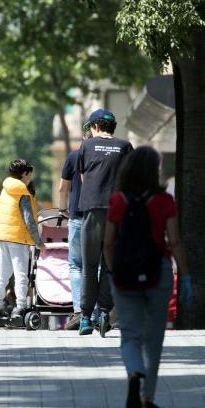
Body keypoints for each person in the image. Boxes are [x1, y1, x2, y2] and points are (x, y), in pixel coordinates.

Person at [103, 146, 190, 408]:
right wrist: (184, 276)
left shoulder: (118, 201)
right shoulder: (164, 201)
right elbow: (174, 241)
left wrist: (113, 271)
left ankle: (133, 373)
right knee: (154, 338)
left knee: (129, 334)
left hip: (124, 274)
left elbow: (107, 243)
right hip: (158, 272)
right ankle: (147, 397)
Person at [77, 109, 132, 336]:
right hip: (118, 213)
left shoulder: (86, 146)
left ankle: (85, 318)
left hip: (92, 211)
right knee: (110, 266)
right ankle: (104, 313)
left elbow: (82, 177)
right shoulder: (125, 146)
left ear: (95, 127)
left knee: (89, 266)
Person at [0, 159, 45, 319]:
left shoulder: (5, 189)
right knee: (21, 275)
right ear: (24, 173)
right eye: (29, 174)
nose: (30, 178)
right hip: (17, 238)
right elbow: (28, 219)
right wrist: (38, 241)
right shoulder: (23, 192)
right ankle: (20, 307)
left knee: (2, 275)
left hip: (2, 237)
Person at [59, 131, 90, 329]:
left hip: (76, 217)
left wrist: (62, 210)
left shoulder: (73, 156)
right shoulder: (105, 155)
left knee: (76, 265)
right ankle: (95, 311)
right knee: (94, 265)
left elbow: (63, 188)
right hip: (98, 217)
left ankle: (79, 311)